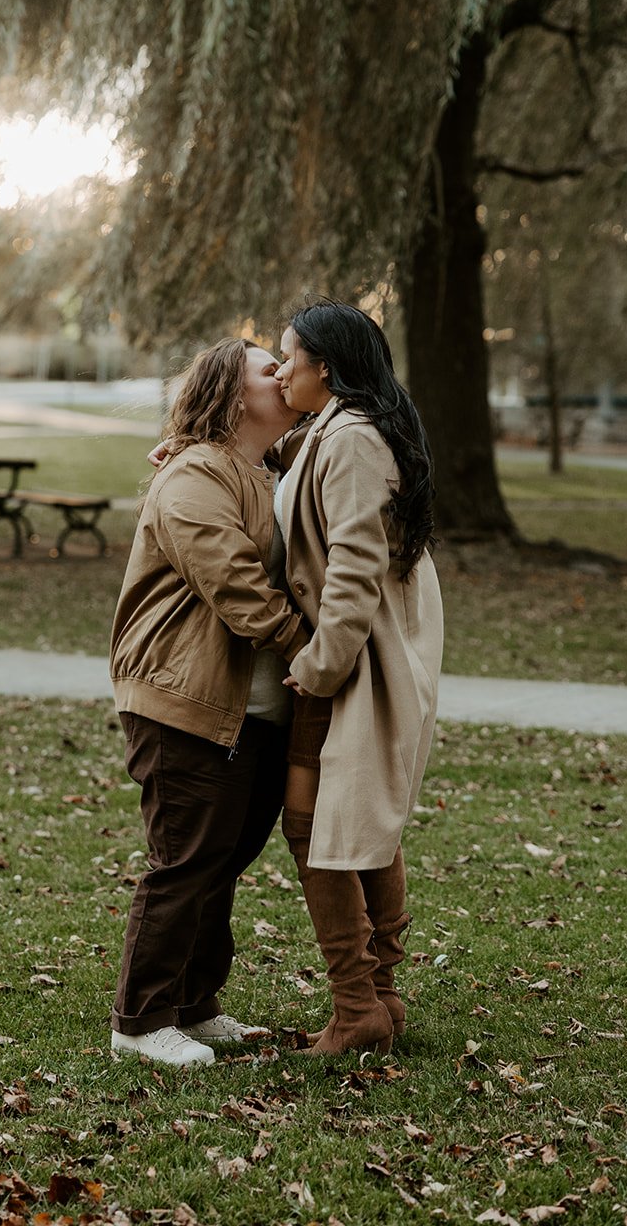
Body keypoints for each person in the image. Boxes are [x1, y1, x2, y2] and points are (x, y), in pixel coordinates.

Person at [109, 337, 309, 1067]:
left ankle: (194, 1004)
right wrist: (313, 652)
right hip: (183, 700)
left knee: (221, 858)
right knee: (186, 860)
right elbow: (236, 586)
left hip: (251, 709)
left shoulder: (268, 467)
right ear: (231, 395)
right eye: (268, 369)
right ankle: (140, 1021)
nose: (284, 376)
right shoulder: (195, 474)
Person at [274, 300, 443, 1055]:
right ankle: (379, 998)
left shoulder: (349, 439)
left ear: (326, 370)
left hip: (353, 654)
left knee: (318, 821)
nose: (279, 372)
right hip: (361, 647)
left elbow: (351, 566)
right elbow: (305, 483)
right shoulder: (342, 431)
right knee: (353, 815)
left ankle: (358, 1005)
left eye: (288, 360)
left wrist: (319, 664)